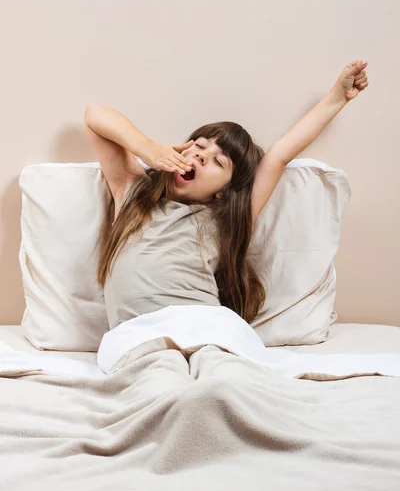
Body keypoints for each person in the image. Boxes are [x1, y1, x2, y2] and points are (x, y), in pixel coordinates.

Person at [84, 60, 368, 329]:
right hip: (136, 336)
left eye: (219, 162)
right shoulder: (134, 194)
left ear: (223, 193)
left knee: (224, 374)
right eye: (200, 146)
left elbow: (279, 155)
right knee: (159, 375)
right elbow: (95, 114)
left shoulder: (222, 219)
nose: (202, 156)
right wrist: (147, 148)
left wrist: (337, 98)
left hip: (206, 330)